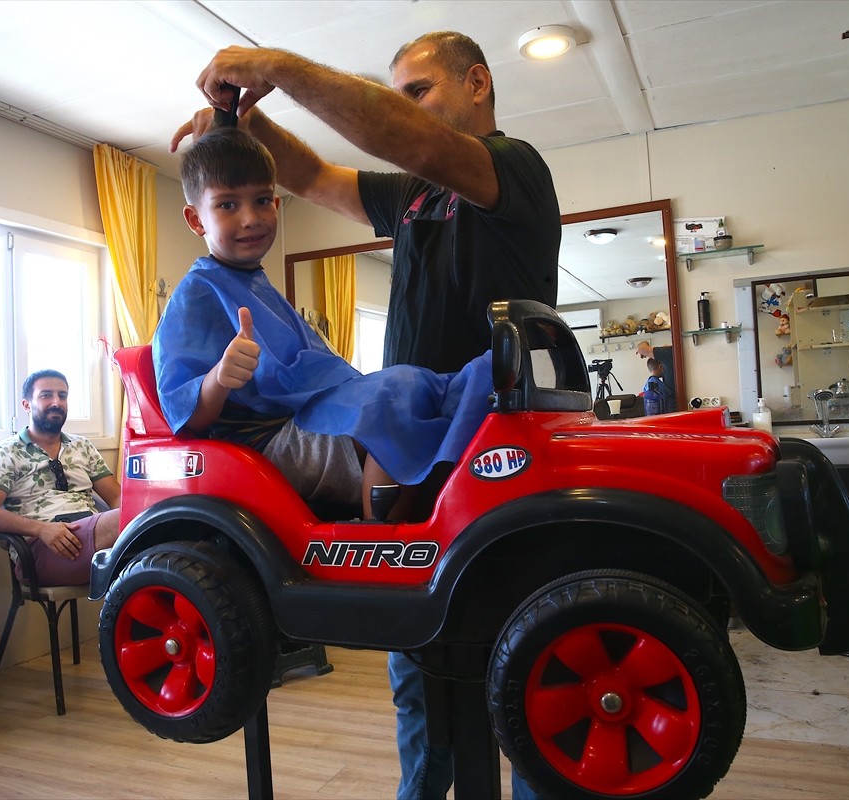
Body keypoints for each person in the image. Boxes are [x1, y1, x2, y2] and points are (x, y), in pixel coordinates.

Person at [173, 31, 557, 800]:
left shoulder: (507, 167)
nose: (401, 109)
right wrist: (243, 118)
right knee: (417, 669)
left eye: (416, 90)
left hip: (487, 453)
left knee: (515, 664)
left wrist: (275, 66)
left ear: (477, 84)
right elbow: (310, 172)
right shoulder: (412, 194)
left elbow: (397, 133)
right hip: (405, 448)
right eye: (230, 207)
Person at [153, 127, 492, 521]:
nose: (250, 218)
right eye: (228, 205)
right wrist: (220, 376)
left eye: (262, 200)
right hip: (263, 444)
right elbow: (188, 416)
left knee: (445, 385)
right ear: (196, 219)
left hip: (305, 417)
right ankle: (380, 543)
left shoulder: (257, 284)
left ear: (277, 204)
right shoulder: (197, 293)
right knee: (397, 393)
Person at [0, 370, 123, 586]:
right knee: (144, 518)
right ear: (26, 404)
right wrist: (41, 529)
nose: (56, 402)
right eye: (46, 395)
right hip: (42, 550)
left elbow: (118, 498)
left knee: (152, 526)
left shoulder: (82, 446)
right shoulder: (5, 451)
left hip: (92, 535)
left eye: (62, 396)